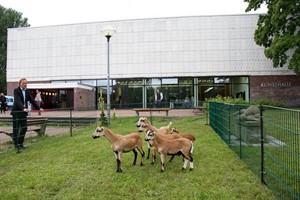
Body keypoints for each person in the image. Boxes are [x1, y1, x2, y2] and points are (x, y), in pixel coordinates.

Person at [11, 78, 44, 151]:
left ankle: (20, 143)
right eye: (23, 83)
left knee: (24, 127)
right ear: (20, 83)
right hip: (16, 112)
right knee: (16, 129)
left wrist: (39, 108)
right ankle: (16, 145)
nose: (25, 84)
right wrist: (23, 108)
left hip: (23, 113)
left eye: (26, 83)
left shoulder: (27, 91)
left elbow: (32, 100)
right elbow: (18, 100)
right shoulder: (16, 91)